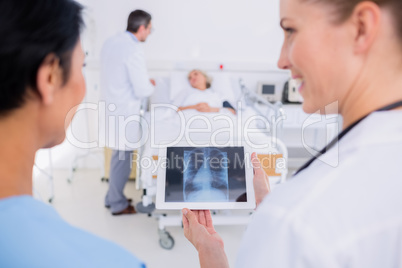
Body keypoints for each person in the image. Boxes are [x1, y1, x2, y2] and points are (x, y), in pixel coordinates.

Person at [182, 0, 402, 267]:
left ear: (361, 27)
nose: (281, 60)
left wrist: (210, 253)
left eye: (291, 31)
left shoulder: (297, 220)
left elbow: (302, 225)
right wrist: (268, 204)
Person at [0, 0, 144, 267]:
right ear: (50, 77)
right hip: (125, 113)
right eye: (82, 66)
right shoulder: (105, 261)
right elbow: (142, 87)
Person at [101, 10, 155, 215]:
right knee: (122, 159)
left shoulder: (111, 42)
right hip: (125, 112)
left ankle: (111, 198)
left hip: (111, 107)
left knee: (118, 156)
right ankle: (117, 204)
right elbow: (142, 89)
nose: (149, 34)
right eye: (149, 29)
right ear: (142, 28)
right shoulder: (133, 50)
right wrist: (151, 86)